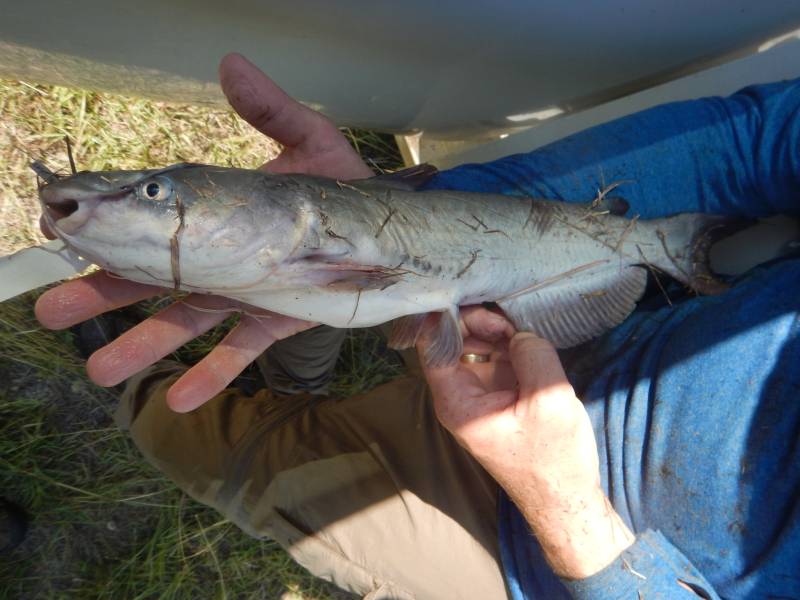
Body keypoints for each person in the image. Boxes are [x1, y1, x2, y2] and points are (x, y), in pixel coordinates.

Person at [35, 54, 799, 599]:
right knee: (294, 319)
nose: (140, 203)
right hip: (570, 338)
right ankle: (293, 380)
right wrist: (440, 203)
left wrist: (567, 509)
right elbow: (759, 136)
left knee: (219, 449)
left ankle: (149, 399)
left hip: (549, 552)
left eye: (153, 193)